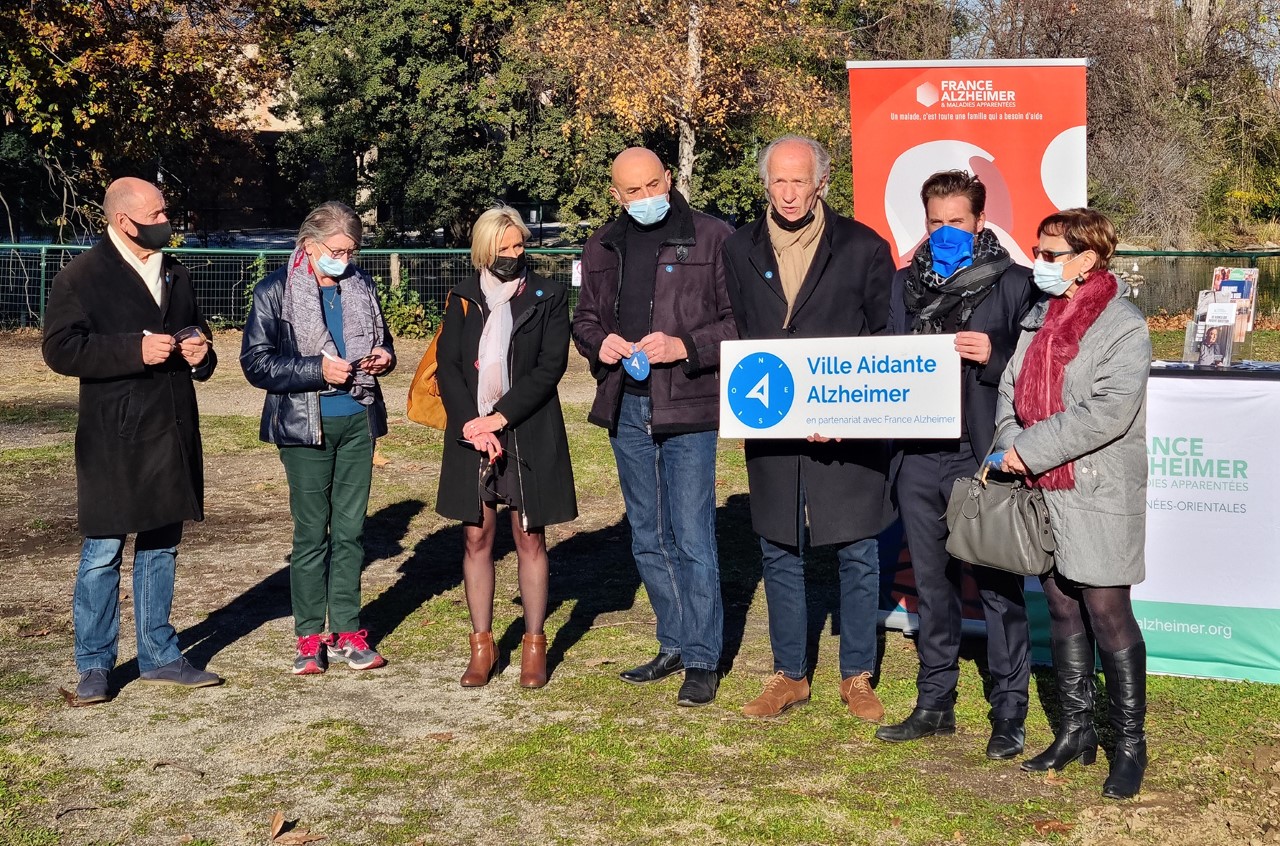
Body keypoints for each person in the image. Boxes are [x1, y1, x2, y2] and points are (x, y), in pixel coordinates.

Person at [721, 135, 893, 721]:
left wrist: (842, 408)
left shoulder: (865, 247)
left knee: (858, 550)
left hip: (847, 427)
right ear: (765, 184)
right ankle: (790, 674)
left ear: (822, 184)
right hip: (772, 419)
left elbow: (883, 337)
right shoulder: (738, 247)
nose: (789, 193)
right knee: (778, 548)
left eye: (799, 181)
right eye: (778, 181)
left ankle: (857, 674)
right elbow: (735, 329)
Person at [876, 171, 1039, 757]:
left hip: (981, 456)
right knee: (930, 583)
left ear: (980, 223)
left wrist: (994, 357)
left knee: (996, 586)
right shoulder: (900, 285)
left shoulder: (1017, 284)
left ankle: (1009, 708)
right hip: (918, 456)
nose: (946, 232)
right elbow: (875, 360)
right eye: (936, 222)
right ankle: (935, 701)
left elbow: (1039, 368)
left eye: (958, 222)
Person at [42, 176, 222, 703]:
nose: (168, 221)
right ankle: (94, 666)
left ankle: (160, 655)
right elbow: (60, 350)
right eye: (159, 214)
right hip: (114, 436)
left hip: (172, 429)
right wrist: (131, 351)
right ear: (125, 221)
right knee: (103, 550)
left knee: (162, 546)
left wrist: (200, 353)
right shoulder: (81, 277)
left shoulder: (176, 273)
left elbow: (197, 334)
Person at [994, 208, 1151, 799]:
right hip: (1042, 489)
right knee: (1060, 608)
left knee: (1107, 611)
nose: (1040, 263)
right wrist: (1011, 445)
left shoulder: (1123, 326)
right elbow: (1011, 387)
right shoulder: (1041, 315)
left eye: (1051, 254)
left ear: (1087, 261)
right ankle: (1077, 730)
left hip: (1096, 488)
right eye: (1039, 251)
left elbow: (1107, 412)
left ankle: (1129, 743)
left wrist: (1027, 449)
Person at [571, 147, 736, 707]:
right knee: (646, 534)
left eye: (653, 185)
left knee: (692, 534)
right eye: (632, 191)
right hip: (627, 404)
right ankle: (673, 639)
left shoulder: (714, 238)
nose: (645, 198)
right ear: (616, 194)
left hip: (689, 403)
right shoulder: (601, 244)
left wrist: (683, 346)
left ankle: (702, 657)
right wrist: (601, 342)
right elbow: (585, 320)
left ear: (669, 178)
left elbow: (738, 321)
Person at [241, 201, 395, 675]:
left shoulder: (362, 286)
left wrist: (383, 357)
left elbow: (382, 339)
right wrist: (316, 369)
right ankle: (309, 638)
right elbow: (256, 363)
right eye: (337, 250)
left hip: (357, 419)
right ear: (309, 245)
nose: (345, 261)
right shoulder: (274, 292)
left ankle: (347, 630)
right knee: (312, 534)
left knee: (350, 533)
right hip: (305, 426)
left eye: (352, 252)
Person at [435, 206, 577, 690]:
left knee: (528, 535)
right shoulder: (461, 297)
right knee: (476, 536)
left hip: (526, 429)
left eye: (520, 246)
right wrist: (474, 425)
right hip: (471, 431)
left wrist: (500, 417)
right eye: (506, 248)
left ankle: (535, 644)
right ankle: (482, 644)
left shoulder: (549, 295)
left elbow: (549, 367)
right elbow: (449, 366)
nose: (515, 255)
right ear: (484, 249)